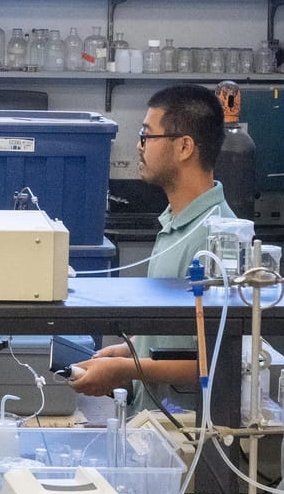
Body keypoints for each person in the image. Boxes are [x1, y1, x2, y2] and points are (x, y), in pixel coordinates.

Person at [70, 83, 235, 398]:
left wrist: (126, 369)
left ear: (184, 147)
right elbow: (173, 335)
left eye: (147, 135)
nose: (139, 146)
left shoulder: (217, 237)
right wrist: (126, 350)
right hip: (152, 426)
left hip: (187, 435)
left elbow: (216, 360)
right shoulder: (176, 224)